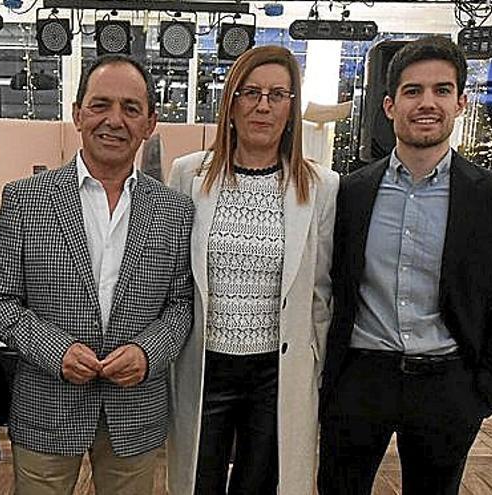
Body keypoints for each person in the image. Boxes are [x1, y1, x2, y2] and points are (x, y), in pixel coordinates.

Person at [318, 36, 492, 495]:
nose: (427, 103)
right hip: (360, 379)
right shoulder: (350, 191)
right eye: (413, 91)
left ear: (460, 102)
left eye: (442, 90)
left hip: (448, 385)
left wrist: (487, 386)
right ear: (390, 105)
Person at [0, 54, 194, 495]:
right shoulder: (25, 200)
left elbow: (181, 306)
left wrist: (148, 352)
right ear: (77, 114)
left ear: (150, 123)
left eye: (131, 108)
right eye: (100, 105)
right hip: (46, 405)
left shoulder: (175, 210)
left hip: (135, 410)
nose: (114, 120)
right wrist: (55, 350)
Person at [167, 45, 339, 495]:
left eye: (277, 95)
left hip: (276, 373)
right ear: (231, 103)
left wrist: (316, 368)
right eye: (251, 92)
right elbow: (175, 277)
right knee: (196, 482)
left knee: (259, 485)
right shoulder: (188, 174)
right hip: (204, 365)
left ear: (290, 108)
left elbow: (320, 292)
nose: (263, 105)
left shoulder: (321, 186)